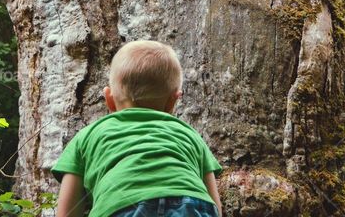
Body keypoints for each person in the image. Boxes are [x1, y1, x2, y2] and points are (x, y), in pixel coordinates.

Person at [53, 40, 223, 217]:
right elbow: (216, 207)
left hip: (122, 205)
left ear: (109, 99)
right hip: (193, 205)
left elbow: (67, 212)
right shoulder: (189, 134)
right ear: (174, 101)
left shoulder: (87, 136)